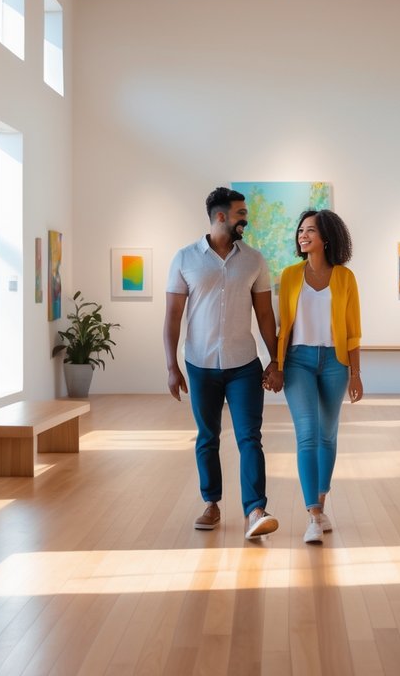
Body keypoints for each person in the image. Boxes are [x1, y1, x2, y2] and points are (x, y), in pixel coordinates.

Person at [164, 187, 283, 540]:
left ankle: (256, 510)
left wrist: (275, 360)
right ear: (220, 216)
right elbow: (172, 315)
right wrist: (171, 366)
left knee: (250, 438)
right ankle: (212, 503)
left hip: (243, 363)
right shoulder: (185, 258)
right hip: (199, 363)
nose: (245, 219)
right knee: (208, 437)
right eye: (240, 213)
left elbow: (265, 314)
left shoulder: (254, 260)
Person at [276, 209, 362, 545]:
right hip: (298, 361)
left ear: (326, 237)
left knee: (328, 435)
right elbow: (283, 328)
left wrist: (356, 374)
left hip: (335, 363)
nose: (302, 235)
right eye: (300, 230)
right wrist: (278, 365)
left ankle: (322, 502)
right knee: (308, 434)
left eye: (310, 230)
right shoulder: (288, 275)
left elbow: (353, 332)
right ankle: (313, 514)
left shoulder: (345, 278)